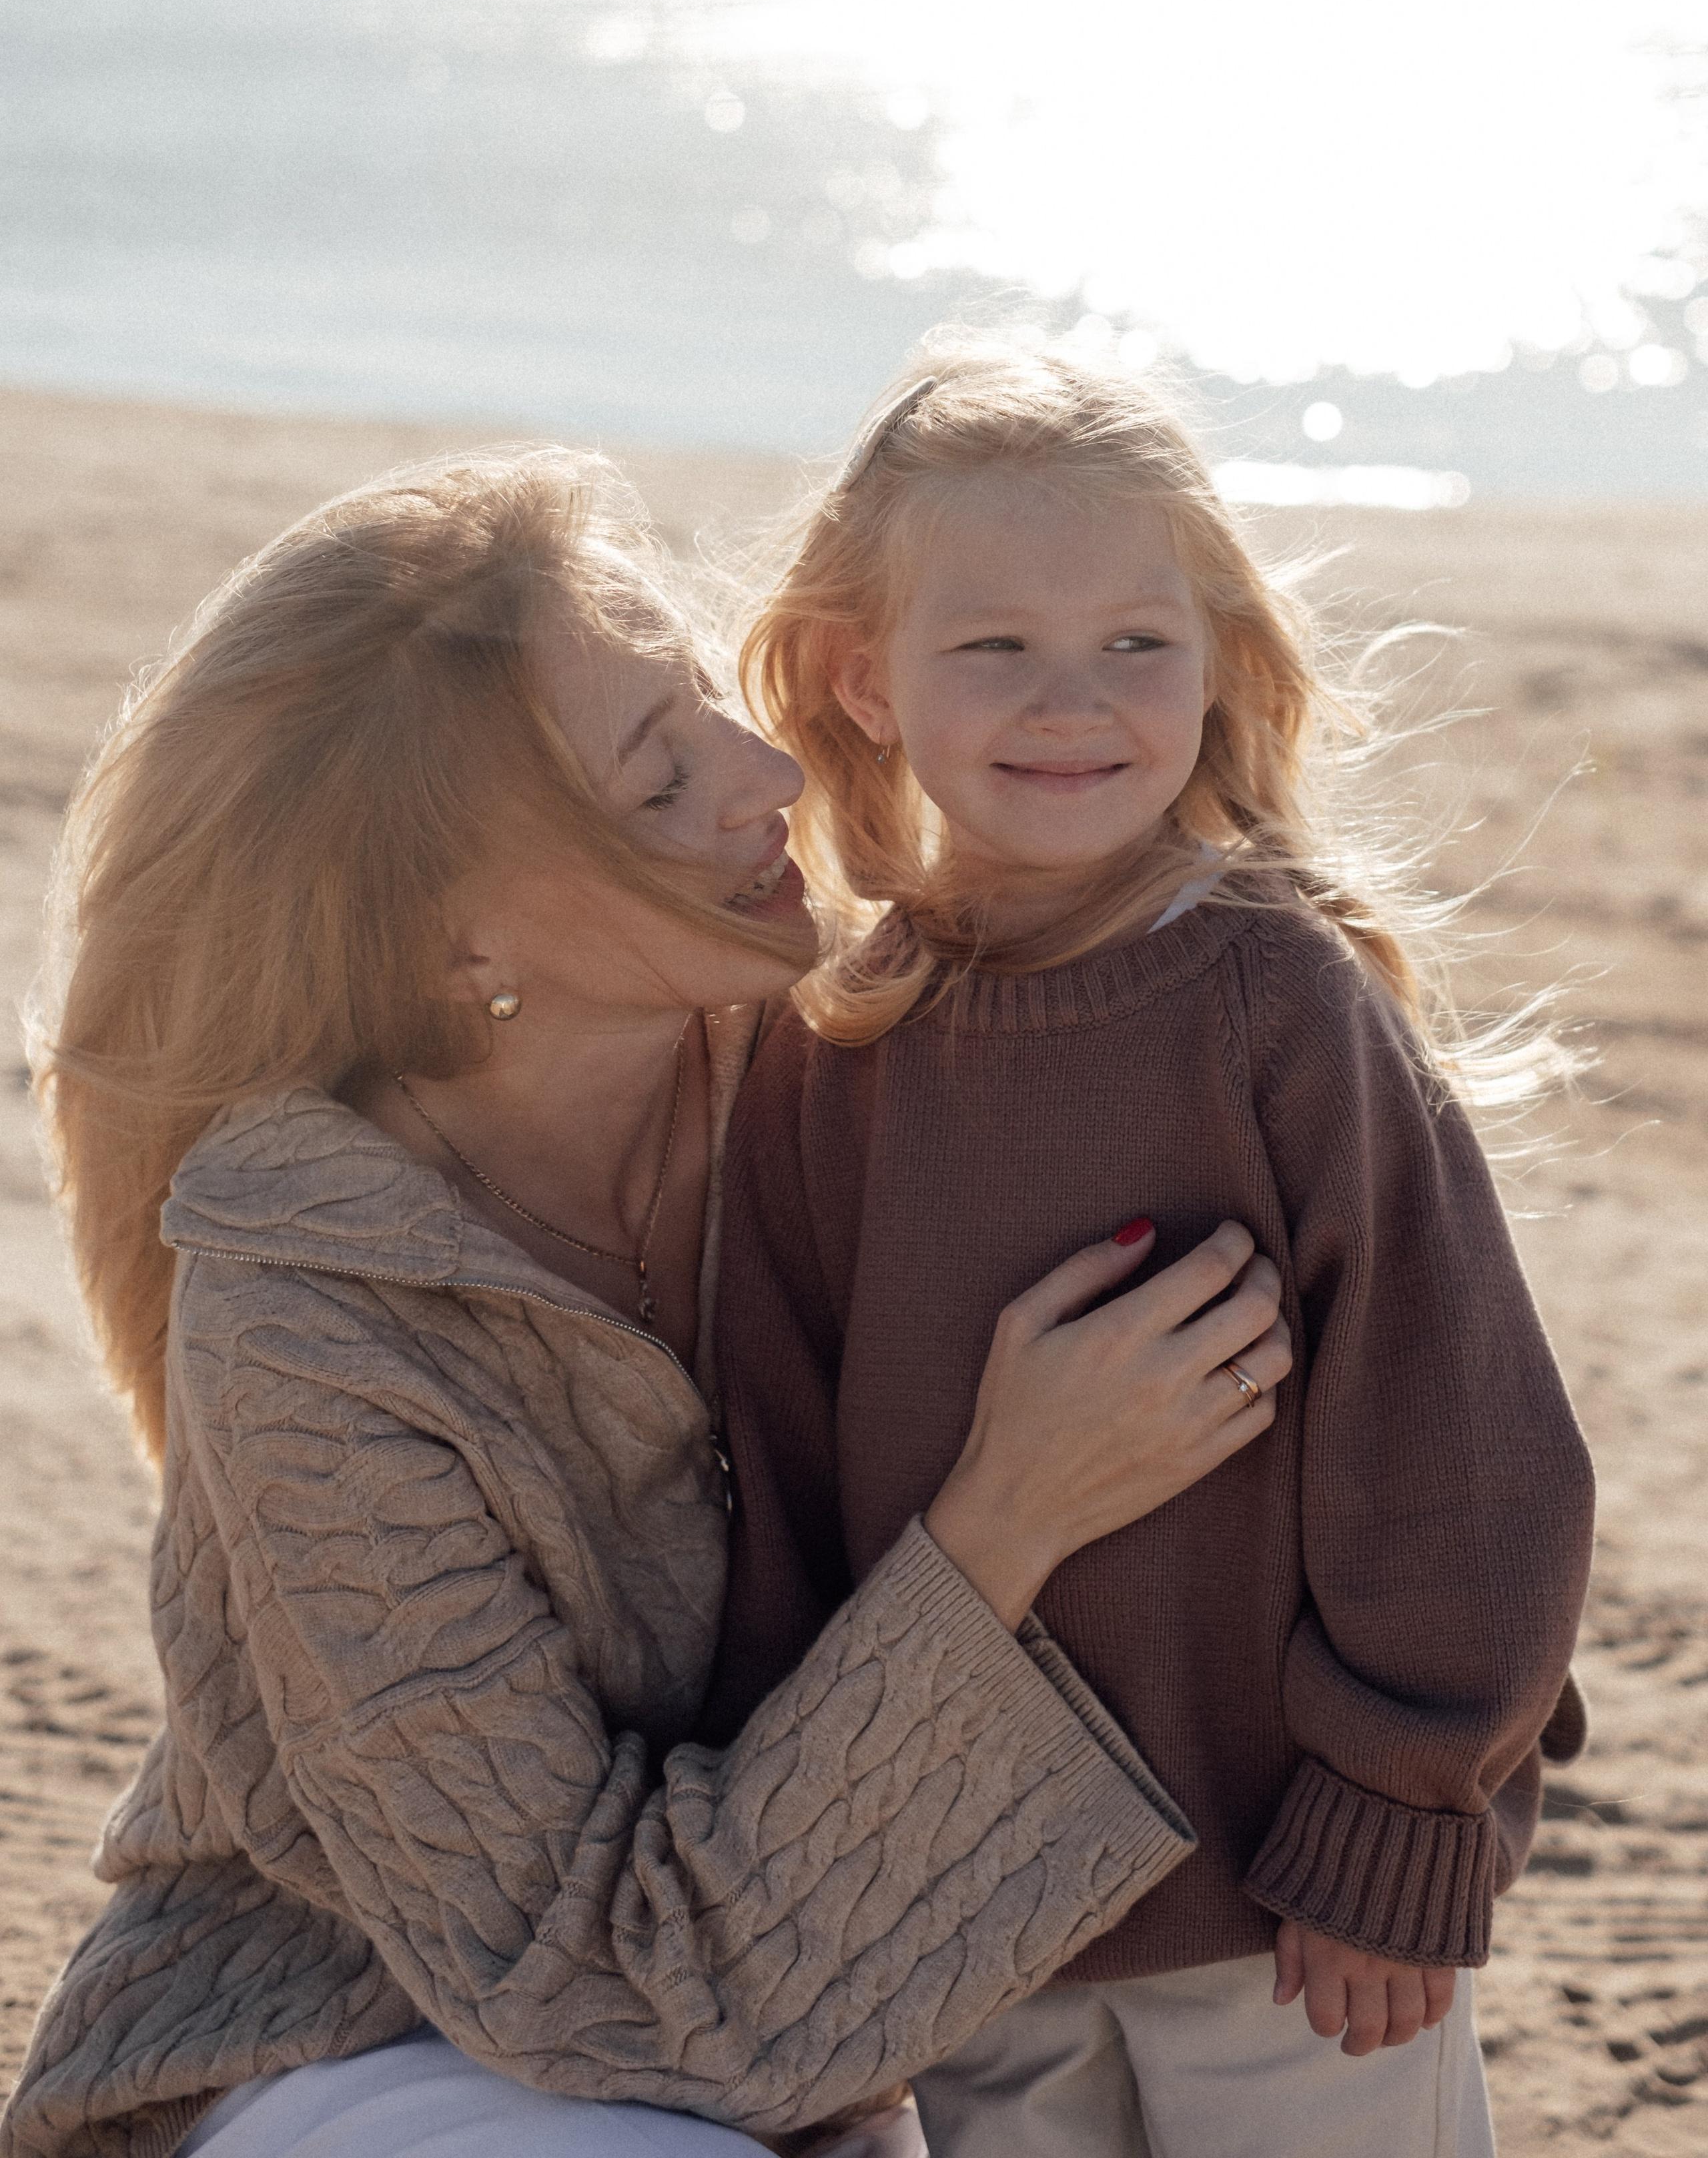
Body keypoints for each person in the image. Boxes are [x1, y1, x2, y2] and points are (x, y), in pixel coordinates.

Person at [2, 449, 1293, 2158]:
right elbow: (584, 1982)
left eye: (711, 706)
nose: (770, 777)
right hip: (370, 2038)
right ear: (460, 943)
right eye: (656, 776)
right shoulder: (306, 1321)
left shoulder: (846, 1062)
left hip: (803, 2020)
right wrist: (1006, 1516)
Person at [708, 338, 1597, 2158]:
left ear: (1217, 666)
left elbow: (1462, 1439)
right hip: (975, 1898)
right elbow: (776, 1470)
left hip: (1296, 1904)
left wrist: (1401, 1815)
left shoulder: (1276, 998)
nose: (1074, 699)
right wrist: (825, 1826)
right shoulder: (832, 1045)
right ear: (860, 677)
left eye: (1136, 642)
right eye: (995, 646)